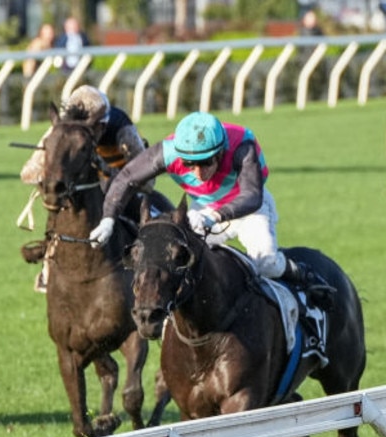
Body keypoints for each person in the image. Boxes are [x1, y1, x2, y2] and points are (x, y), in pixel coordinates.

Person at [89, 111, 332, 301]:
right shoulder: (167, 152)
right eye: (188, 163)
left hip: (248, 209)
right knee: (180, 262)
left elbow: (252, 195)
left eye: (205, 163)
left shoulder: (241, 147)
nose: (197, 172)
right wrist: (108, 218)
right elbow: (126, 178)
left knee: (265, 264)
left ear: (220, 153)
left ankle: (299, 273)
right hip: (205, 208)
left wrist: (216, 216)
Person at [19, 86, 149, 291]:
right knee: (58, 204)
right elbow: (27, 173)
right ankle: (48, 262)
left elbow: (148, 182)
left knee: (144, 212)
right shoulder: (62, 128)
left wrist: (106, 171)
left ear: (102, 124)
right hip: (78, 193)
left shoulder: (121, 126)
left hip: (121, 190)